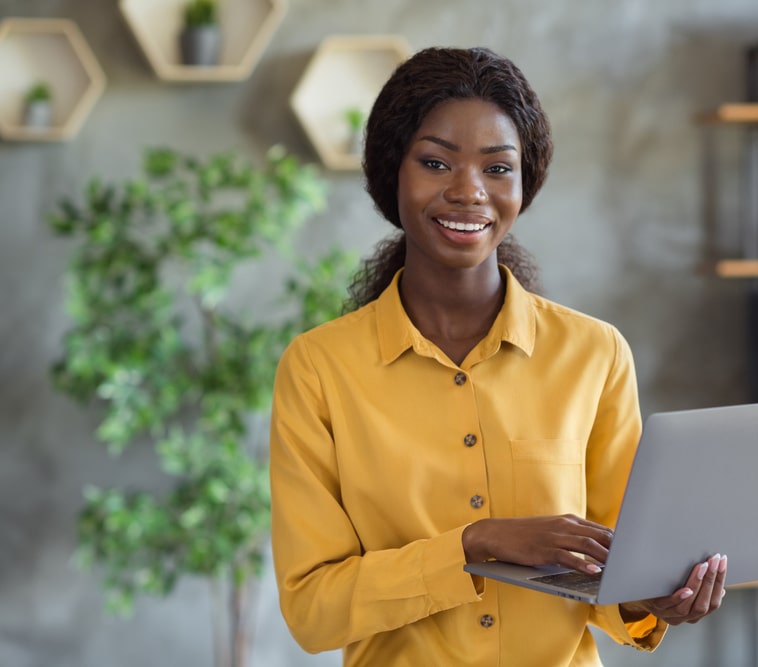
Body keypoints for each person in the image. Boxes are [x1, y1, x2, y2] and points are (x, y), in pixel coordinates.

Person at [269, 46, 727, 666]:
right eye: (435, 163)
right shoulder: (319, 369)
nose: (468, 193)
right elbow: (313, 610)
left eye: (497, 168)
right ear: (391, 174)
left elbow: (619, 574)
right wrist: (474, 545)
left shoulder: (595, 355)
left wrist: (656, 598)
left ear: (524, 183)